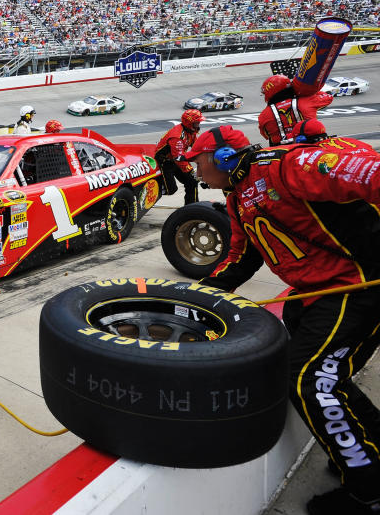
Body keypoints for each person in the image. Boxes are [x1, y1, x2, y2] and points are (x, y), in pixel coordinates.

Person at [185, 125, 380, 515]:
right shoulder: (238, 194)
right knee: (326, 375)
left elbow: (370, 171)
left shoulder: (287, 164)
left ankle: (369, 489)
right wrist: (198, 295)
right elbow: (241, 257)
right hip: (320, 294)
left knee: (310, 380)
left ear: (222, 157)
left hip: (357, 286)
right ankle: (365, 448)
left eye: (197, 160)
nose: (193, 169)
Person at [257, 74, 333, 145]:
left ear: (270, 92)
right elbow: (328, 97)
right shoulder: (307, 101)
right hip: (310, 148)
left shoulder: (263, 116)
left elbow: (266, 136)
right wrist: (302, 90)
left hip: (282, 154)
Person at [155, 109, 203, 205]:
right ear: (189, 123)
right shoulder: (177, 137)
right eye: (196, 123)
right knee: (171, 189)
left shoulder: (191, 131)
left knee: (192, 181)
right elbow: (179, 159)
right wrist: (190, 171)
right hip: (165, 162)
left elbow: (196, 148)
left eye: (198, 123)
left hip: (176, 159)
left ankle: (192, 207)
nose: (198, 125)